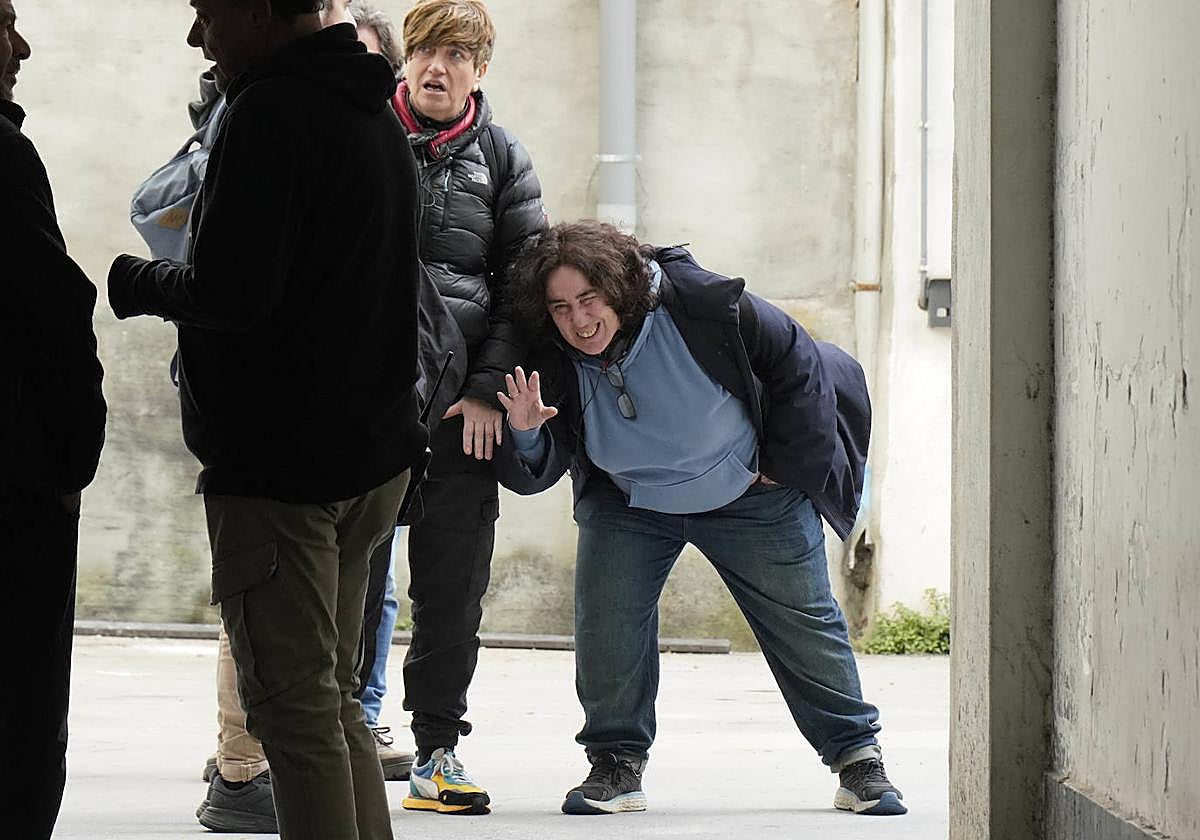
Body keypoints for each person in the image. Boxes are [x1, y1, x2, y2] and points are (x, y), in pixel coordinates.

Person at [106, 1, 425, 838]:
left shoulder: (273, 111)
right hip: (369, 457)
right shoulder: (366, 104)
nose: (194, 34)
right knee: (332, 701)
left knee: (292, 713)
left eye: (205, 12)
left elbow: (231, 293)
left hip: (286, 470)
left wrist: (136, 282)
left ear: (255, 11)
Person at [492, 220, 908, 818]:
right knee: (606, 627)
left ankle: (858, 759)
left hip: (749, 494)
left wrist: (782, 469)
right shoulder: (550, 353)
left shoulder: (702, 304)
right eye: (560, 308)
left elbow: (800, 364)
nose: (579, 322)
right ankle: (615, 764)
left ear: (619, 289)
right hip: (629, 502)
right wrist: (526, 433)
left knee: (805, 623)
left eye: (589, 300)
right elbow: (539, 459)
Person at [382, 0, 547, 817]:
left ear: (481, 70)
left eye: (456, 55)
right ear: (406, 60)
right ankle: (333, 738)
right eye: (425, 53)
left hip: (460, 414)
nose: (437, 68)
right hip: (366, 407)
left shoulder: (505, 158)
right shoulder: (364, 133)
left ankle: (436, 750)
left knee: (452, 589)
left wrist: (487, 389)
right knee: (347, 581)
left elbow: (524, 290)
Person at [0, 2, 108, 837]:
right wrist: (69, 456)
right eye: (3, 22)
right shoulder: (3, 157)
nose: (22, 45)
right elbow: (53, 311)